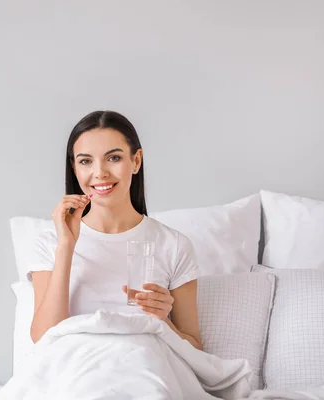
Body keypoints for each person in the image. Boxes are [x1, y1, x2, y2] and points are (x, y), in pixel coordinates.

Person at [27, 110, 202, 350]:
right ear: (75, 168)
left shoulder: (173, 245)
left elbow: (195, 349)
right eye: (86, 161)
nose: (100, 173)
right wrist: (66, 247)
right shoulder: (51, 243)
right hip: (76, 374)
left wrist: (163, 321)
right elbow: (43, 339)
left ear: (136, 161)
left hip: (146, 371)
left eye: (113, 158)